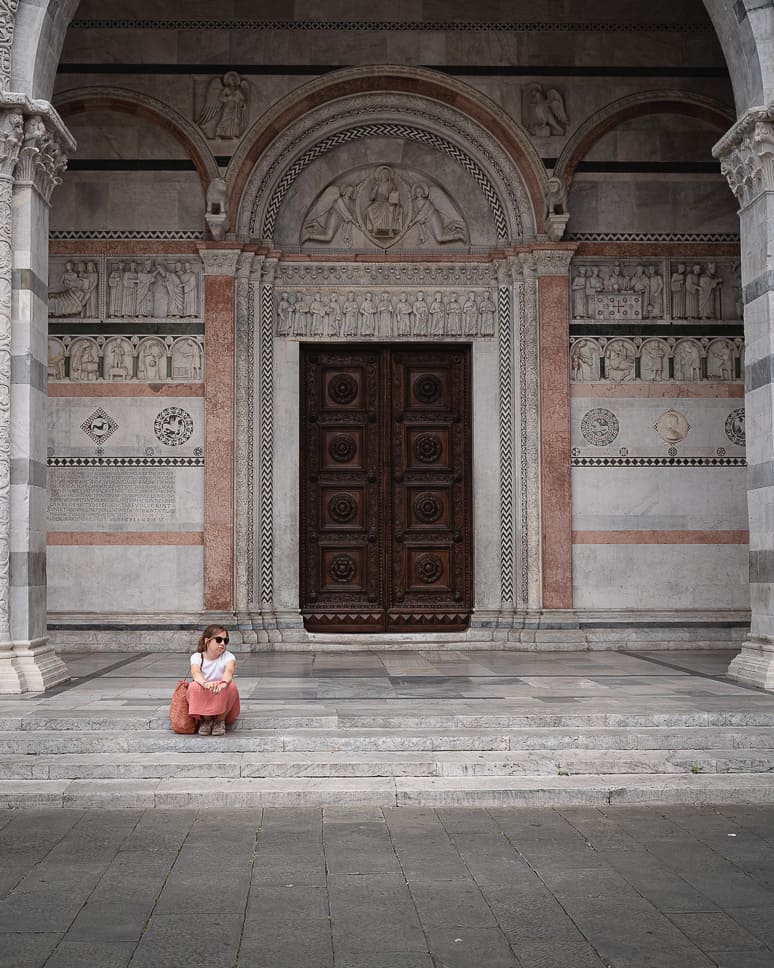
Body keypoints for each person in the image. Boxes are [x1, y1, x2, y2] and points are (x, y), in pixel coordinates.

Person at [187, 625, 240, 736]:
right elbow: (196, 672)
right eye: (218, 640)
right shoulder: (197, 657)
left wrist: (223, 684)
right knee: (194, 686)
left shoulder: (228, 656)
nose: (222, 644)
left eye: (225, 641)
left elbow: (229, 671)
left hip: (221, 694)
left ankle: (220, 721)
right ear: (207, 641)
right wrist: (206, 684)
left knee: (231, 686)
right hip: (205, 690)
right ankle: (206, 720)